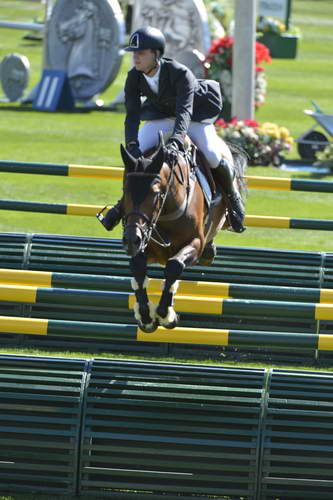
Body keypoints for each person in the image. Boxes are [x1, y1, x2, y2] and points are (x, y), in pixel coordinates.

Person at [100, 26, 245, 233]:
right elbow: (132, 115)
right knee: (134, 160)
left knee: (212, 155)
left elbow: (184, 112)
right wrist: (132, 144)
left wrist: (177, 139)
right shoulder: (134, 76)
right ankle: (122, 205)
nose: (135, 58)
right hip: (162, 116)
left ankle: (233, 200)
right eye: (134, 54)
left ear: (156, 54)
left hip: (195, 117)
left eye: (141, 53)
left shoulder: (180, 73)